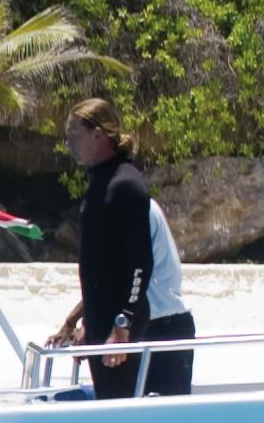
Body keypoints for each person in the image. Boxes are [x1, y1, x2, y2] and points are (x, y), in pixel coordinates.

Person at [45, 98, 195, 399]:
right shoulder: (101, 184)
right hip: (107, 326)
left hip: (150, 324)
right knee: (110, 412)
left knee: (136, 420)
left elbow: (140, 265)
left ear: (98, 133)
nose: (67, 143)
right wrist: (82, 321)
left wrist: (122, 323)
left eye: (73, 133)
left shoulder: (126, 186)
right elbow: (107, 271)